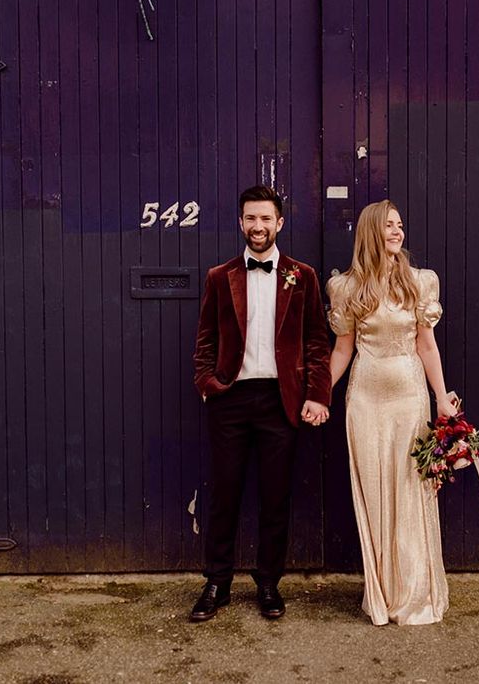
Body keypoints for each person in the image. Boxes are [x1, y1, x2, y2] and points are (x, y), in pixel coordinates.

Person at [191, 185, 331, 621]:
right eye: (251, 219)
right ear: (240, 222)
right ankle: (217, 582)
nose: (258, 227)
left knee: (275, 497)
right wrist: (207, 383)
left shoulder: (302, 276)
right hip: (230, 400)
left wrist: (317, 394)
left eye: (266, 219)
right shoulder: (220, 276)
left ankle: (269, 584)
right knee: (224, 495)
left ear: (280, 223)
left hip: (280, 401)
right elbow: (205, 341)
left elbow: (316, 342)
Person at [327, 199, 458, 626]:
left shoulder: (420, 282)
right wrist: (316, 393)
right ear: (370, 232)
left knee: (410, 493)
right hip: (364, 399)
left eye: (400, 224)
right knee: (375, 496)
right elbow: (343, 350)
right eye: (388, 226)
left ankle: (415, 595)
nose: (397, 232)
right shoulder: (345, 288)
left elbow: (426, 345)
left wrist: (441, 397)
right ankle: (381, 594)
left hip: (409, 398)